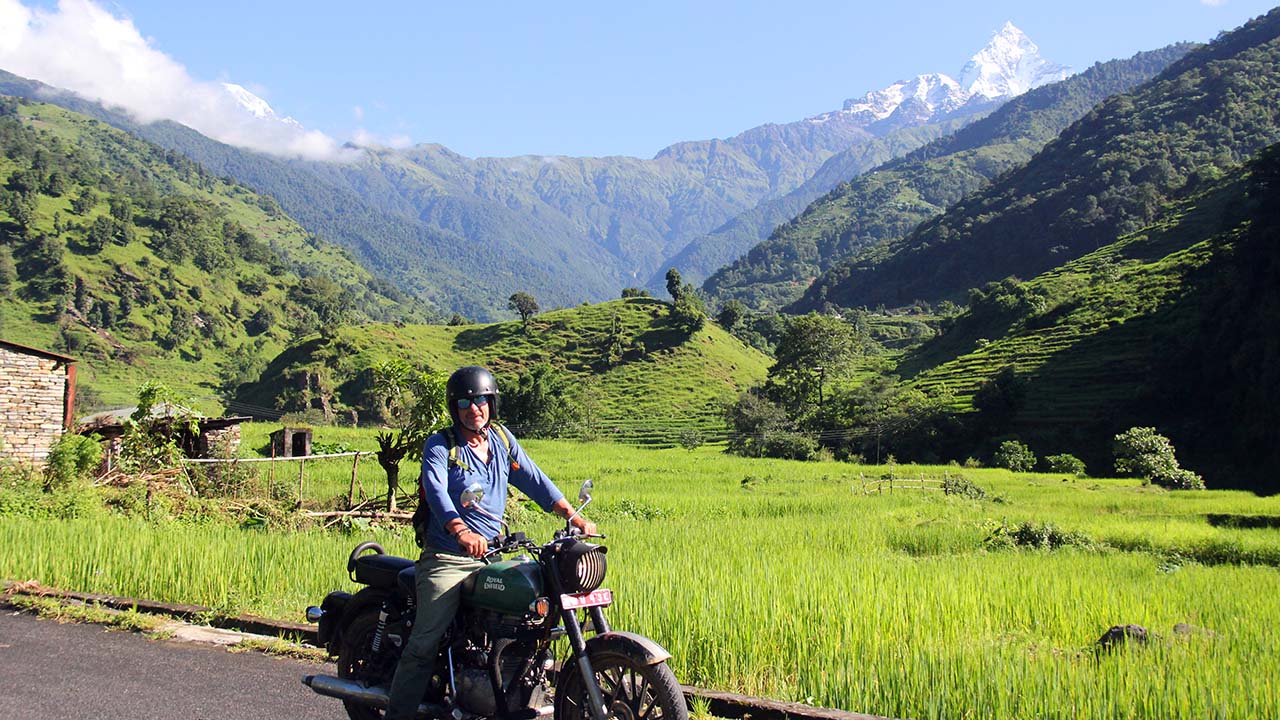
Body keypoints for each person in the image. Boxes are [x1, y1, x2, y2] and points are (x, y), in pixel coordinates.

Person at [385, 365, 596, 720]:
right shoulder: (440, 445)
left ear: (491, 403)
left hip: (494, 554)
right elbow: (436, 492)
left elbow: (534, 479)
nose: (474, 408)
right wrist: (461, 531)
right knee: (424, 642)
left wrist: (573, 516)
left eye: (481, 399)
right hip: (449, 557)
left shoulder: (500, 440)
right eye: (465, 401)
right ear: (455, 407)